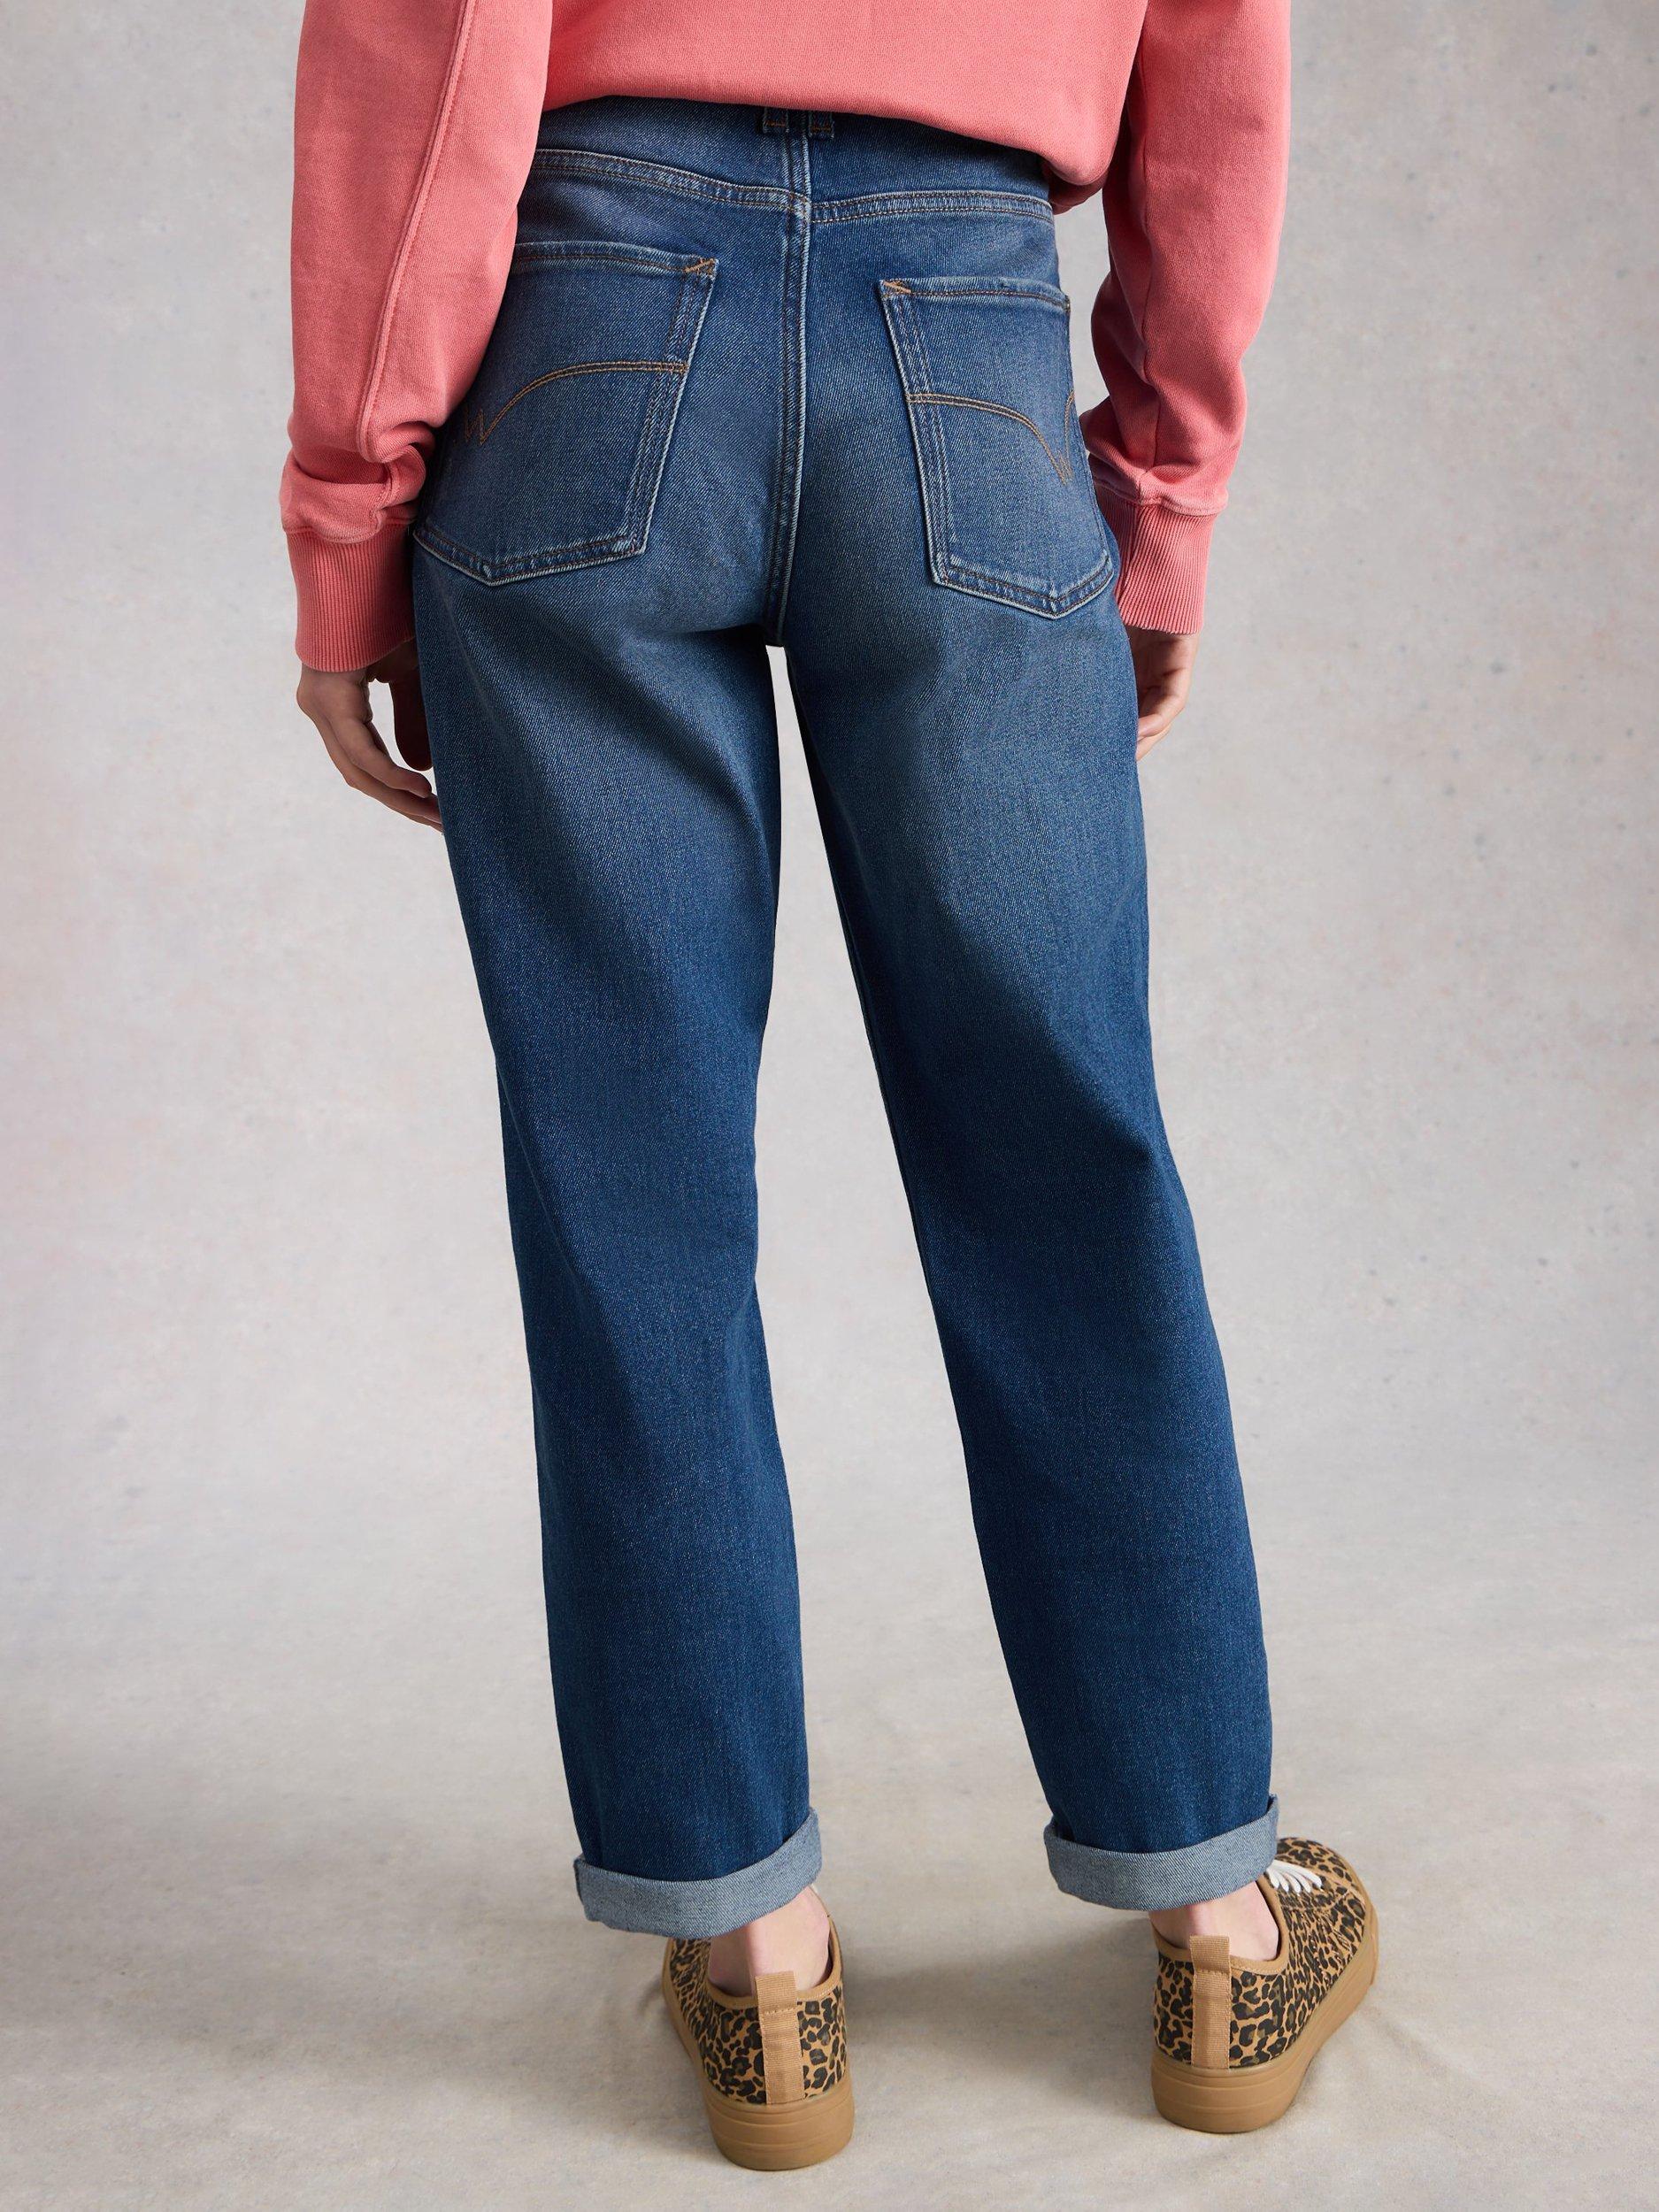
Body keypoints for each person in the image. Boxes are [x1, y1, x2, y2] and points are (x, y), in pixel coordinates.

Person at [283, 0, 1373, 2166]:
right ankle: (1219, 1920)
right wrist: (1156, 498)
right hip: (958, 335)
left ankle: (754, 1956)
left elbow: (430, 36)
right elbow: (1214, 71)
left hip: (585, 327)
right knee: (1059, 1149)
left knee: (630, 1179)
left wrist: (352, 512)